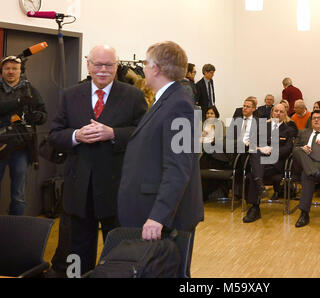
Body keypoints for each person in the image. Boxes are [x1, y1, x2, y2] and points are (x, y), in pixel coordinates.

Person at [48, 45, 147, 275]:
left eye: (109, 65)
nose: (103, 70)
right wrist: (76, 135)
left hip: (117, 188)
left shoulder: (133, 96)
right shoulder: (70, 95)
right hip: (79, 190)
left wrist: (114, 133)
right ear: (88, 65)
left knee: (120, 250)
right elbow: (54, 134)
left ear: (117, 66)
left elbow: (144, 134)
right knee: (77, 253)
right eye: (98, 64)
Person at [117, 41, 204, 278]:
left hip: (166, 217)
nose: (143, 69)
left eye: (145, 63)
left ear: (156, 68)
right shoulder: (166, 100)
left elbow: (179, 167)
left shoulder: (180, 106)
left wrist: (158, 215)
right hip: (154, 209)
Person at [0, 55, 47, 215]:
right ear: (2, 70)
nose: (11, 71)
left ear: (20, 71)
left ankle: (15, 231)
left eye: (14, 68)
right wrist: (19, 101)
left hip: (20, 149)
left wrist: (39, 117)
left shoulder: (30, 89)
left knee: (19, 195)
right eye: (7, 68)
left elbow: (43, 113)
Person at [243, 103, 297, 222]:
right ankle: (255, 205)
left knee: (253, 174)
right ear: (272, 113)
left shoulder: (288, 130)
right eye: (276, 111)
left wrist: (271, 150)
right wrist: (261, 149)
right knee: (255, 159)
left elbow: (288, 150)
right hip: (260, 162)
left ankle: (255, 207)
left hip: (276, 164)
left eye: (281, 112)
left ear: (285, 114)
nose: (278, 113)